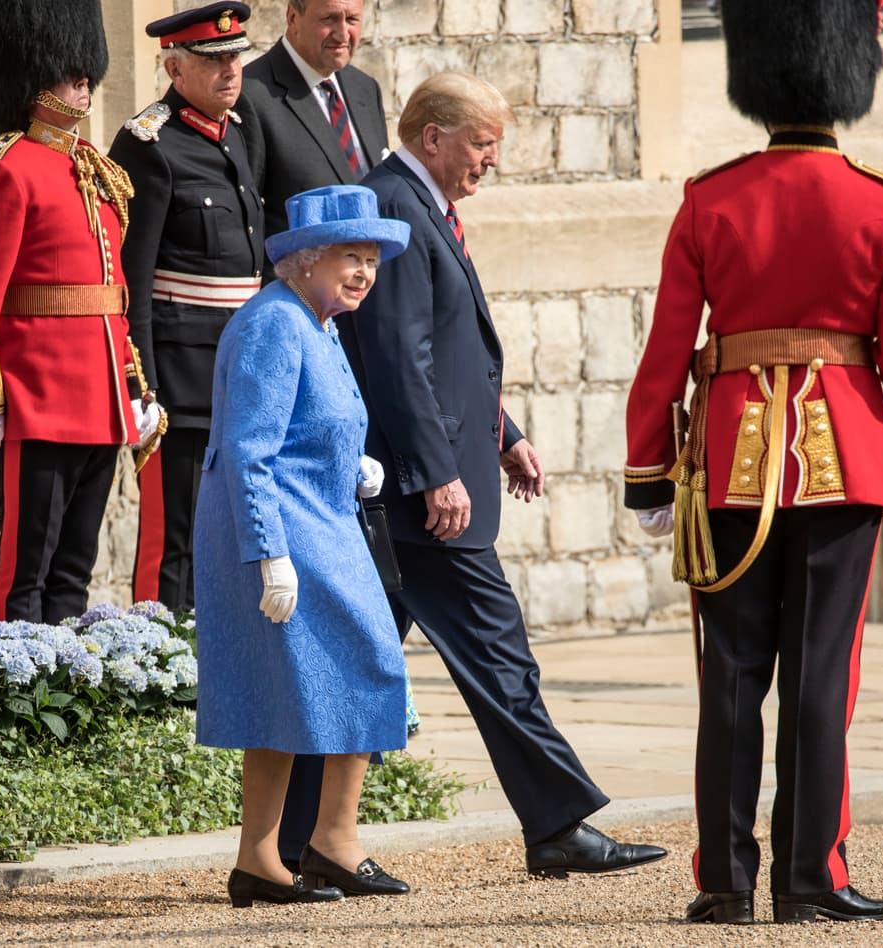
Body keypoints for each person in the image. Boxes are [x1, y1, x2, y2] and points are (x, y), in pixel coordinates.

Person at [623, 0, 883, 925]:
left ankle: (726, 880)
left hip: (730, 462)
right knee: (821, 675)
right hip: (843, 463)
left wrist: (649, 469)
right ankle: (811, 874)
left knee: (731, 675)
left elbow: (664, 351)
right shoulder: (882, 201)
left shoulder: (711, 197)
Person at [337, 72, 668, 878]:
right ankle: (557, 824)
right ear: (433, 138)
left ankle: (305, 842)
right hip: (423, 503)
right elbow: (395, 358)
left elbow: (450, 354)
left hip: (429, 480)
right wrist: (436, 473)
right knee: (498, 653)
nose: (491, 160)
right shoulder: (393, 206)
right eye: (483, 143)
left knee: (358, 667)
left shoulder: (417, 203)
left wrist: (503, 435)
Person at [193, 185, 413, 907]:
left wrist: (354, 465)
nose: (364, 273)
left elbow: (307, 429)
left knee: (332, 675)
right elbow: (250, 451)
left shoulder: (316, 322)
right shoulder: (275, 325)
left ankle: (300, 851)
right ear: (308, 259)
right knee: (329, 672)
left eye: (371, 260)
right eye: (351, 257)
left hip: (324, 518)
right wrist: (269, 553)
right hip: (285, 528)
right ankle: (300, 850)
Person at [0, 0, 160, 624]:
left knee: (71, 579)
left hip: (101, 402)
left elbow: (115, 297)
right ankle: (16, 710)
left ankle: (64, 709)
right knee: (25, 577)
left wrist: (133, 387)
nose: (83, 79)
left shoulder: (93, 173)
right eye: (68, 70)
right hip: (38, 399)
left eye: (85, 69)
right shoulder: (8, 171)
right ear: (32, 75)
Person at [108, 2, 264, 614]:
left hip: (239, 370)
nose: (231, 71)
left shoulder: (239, 131)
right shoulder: (148, 144)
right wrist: (139, 382)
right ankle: (160, 678)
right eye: (214, 60)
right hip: (178, 375)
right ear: (175, 68)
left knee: (228, 538)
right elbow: (131, 280)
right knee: (174, 542)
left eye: (236, 58)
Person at [237, 0, 388, 263]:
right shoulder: (251, 95)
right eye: (329, 19)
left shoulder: (365, 88)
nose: (342, 35)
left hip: (366, 286)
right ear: (293, 17)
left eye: (352, 20)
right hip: (300, 293)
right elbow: (247, 222)